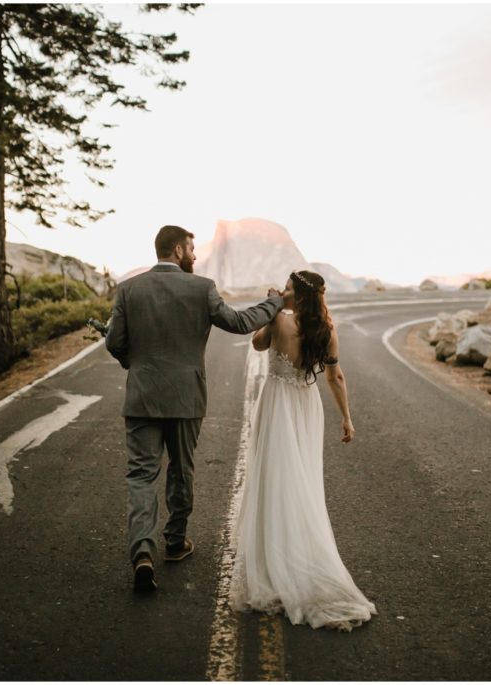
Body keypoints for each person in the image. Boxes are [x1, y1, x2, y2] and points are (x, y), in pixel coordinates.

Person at [106, 225, 283, 593]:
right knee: (180, 470)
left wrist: (134, 364)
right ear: (176, 250)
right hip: (186, 398)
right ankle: (174, 543)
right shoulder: (201, 288)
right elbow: (239, 323)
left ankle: (141, 553)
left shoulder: (128, 289)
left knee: (141, 476)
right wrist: (274, 303)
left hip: (142, 398)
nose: (195, 255)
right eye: (190, 249)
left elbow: (114, 343)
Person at [230, 270, 376, 631]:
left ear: (299, 296)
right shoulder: (326, 328)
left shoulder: (278, 317)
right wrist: (347, 418)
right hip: (306, 405)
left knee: (275, 475)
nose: (284, 291)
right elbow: (334, 376)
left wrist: (269, 308)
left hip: (277, 401)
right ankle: (294, 551)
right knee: (301, 479)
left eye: (289, 289)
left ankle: (274, 558)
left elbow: (258, 344)